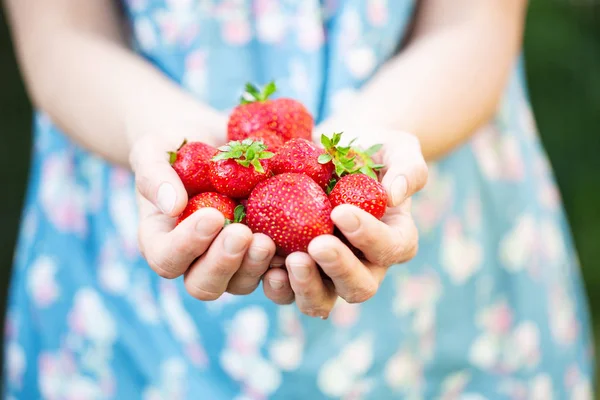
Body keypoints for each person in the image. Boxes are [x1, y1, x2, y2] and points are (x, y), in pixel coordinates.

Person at [2, 0, 594, 399]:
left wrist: (366, 138)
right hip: (123, 249)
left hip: (441, 233)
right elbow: (63, 33)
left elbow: (472, 26)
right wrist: (154, 132)